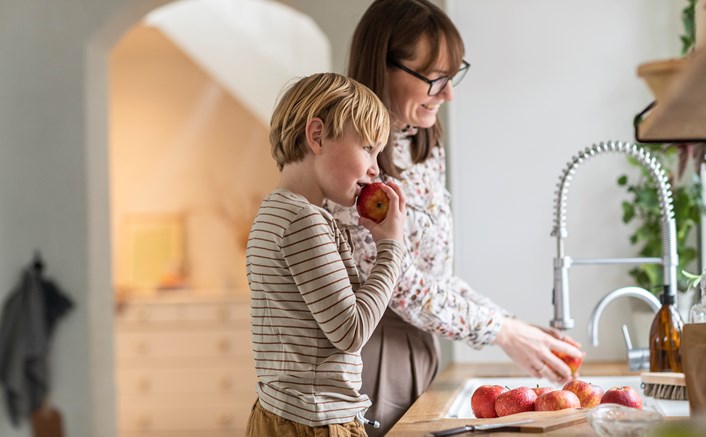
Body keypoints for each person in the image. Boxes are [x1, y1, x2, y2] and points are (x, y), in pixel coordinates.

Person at [326, 1, 584, 435]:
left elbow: (436, 276)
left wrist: (512, 327)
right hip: (374, 350)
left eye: (452, 74)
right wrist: (501, 332)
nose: (449, 94)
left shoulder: (422, 142)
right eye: (435, 79)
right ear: (382, 67)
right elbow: (399, 286)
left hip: (422, 345)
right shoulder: (352, 157)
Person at [245, 72, 409, 437]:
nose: (375, 168)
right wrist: (391, 248)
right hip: (315, 420)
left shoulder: (278, 213)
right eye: (367, 148)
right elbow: (351, 332)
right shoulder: (303, 222)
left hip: (285, 412)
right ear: (317, 136)